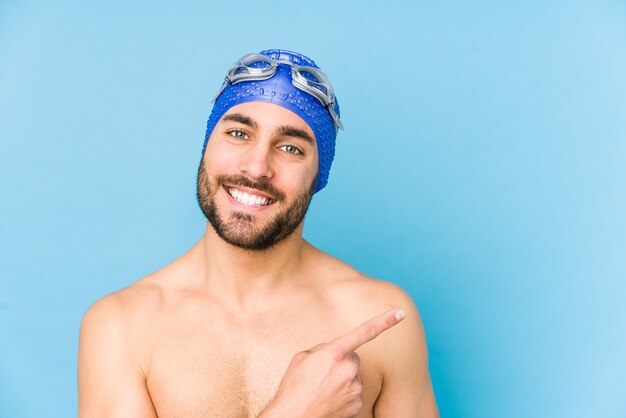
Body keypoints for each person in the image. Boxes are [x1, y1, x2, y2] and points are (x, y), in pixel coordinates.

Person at [78, 49, 439, 417]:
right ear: (206, 148)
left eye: (290, 148)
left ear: (318, 177)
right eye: (238, 133)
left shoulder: (379, 320)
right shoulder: (123, 326)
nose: (256, 167)